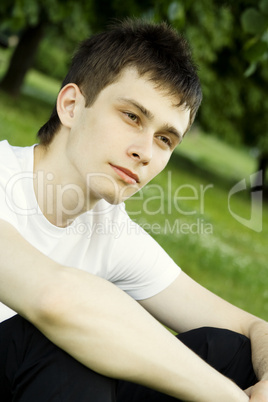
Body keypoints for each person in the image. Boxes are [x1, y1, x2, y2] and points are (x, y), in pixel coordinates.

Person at [0, 18, 267, 402]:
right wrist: (228, 397)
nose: (145, 151)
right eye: (132, 117)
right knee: (61, 342)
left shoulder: (111, 233)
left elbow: (251, 327)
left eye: (164, 138)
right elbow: (58, 300)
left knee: (231, 353)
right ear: (72, 105)